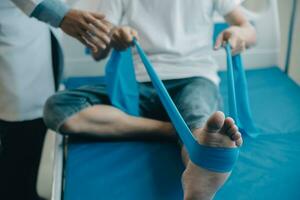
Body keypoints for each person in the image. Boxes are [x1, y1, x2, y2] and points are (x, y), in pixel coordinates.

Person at [43, 0, 256, 199]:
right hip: (138, 84)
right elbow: (97, 52)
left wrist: (240, 33)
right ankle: (178, 132)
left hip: (194, 76)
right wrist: (115, 38)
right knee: (58, 107)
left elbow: (249, 31)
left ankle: (200, 168)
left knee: (198, 114)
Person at [0, 0, 110, 199]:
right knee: (19, 146)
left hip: (37, 43)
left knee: (32, 141)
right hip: (13, 50)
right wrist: (61, 15)